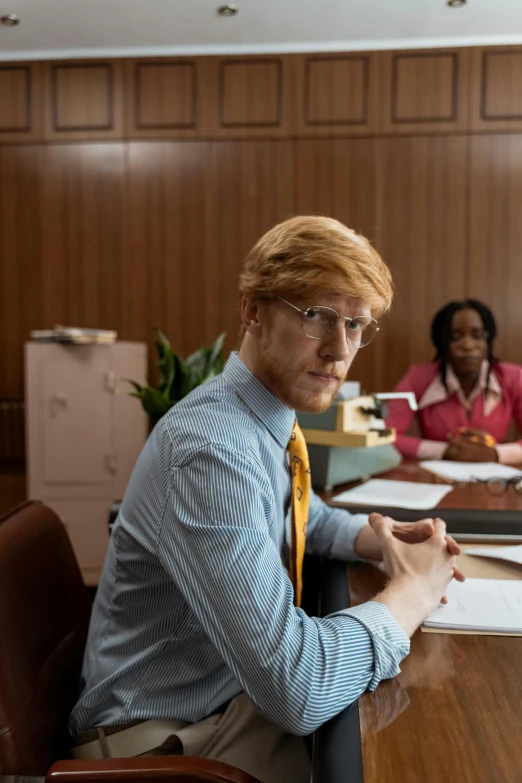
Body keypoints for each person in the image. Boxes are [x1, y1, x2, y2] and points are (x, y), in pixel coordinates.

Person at [69, 216, 463, 783]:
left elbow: (296, 511)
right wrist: (414, 592)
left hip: (223, 701)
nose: (339, 349)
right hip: (161, 744)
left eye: (356, 324)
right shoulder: (212, 449)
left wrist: (379, 539)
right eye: (318, 316)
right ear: (252, 310)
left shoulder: (263, 415)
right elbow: (295, 687)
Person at [386, 299, 522, 464]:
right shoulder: (418, 377)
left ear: (488, 341)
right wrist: (445, 451)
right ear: (443, 343)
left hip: (493, 483)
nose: (468, 345)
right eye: (455, 337)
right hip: (437, 478)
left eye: (477, 336)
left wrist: (493, 454)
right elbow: (385, 436)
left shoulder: (513, 377)